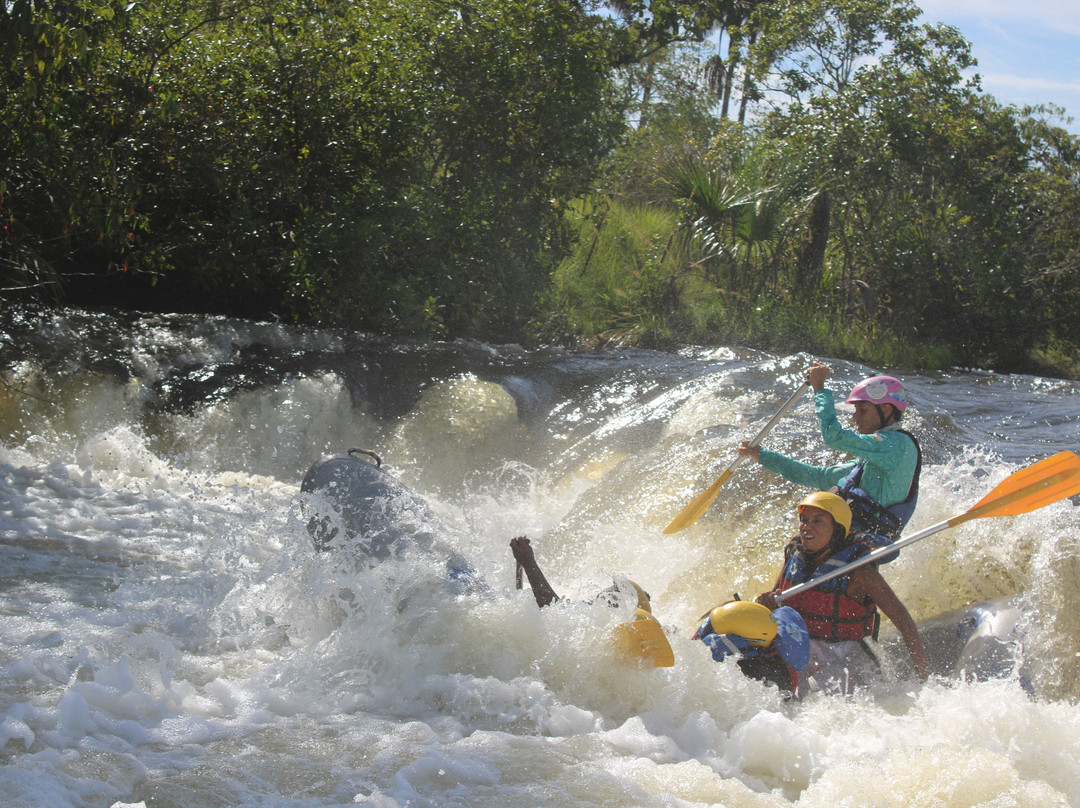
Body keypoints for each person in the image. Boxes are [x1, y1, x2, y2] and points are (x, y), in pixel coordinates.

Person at [755, 492, 930, 696]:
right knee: (766, 683)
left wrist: (923, 676)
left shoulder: (860, 573)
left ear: (837, 530)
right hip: (801, 647)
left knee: (807, 698)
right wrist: (765, 603)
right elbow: (775, 603)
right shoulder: (795, 555)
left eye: (818, 521)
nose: (806, 527)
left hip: (846, 654)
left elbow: (902, 619)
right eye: (804, 520)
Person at [738, 361, 921, 539]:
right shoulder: (872, 459)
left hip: (865, 545)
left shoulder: (897, 445)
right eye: (855, 409)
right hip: (850, 540)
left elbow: (834, 437)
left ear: (886, 411)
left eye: (863, 410)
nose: (855, 416)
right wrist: (762, 455)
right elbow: (817, 476)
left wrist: (819, 390)